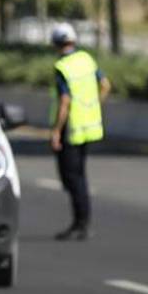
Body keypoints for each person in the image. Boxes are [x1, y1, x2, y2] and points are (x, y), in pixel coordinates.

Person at [49, 22, 111, 241]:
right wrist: (94, 106)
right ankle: (81, 222)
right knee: (80, 176)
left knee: (73, 178)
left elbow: (64, 101)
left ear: (55, 44)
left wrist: (56, 131)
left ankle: (81, 223)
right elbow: (105, 85)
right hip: (89, 127)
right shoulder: (86, 59)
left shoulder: (63, 67)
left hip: (72, 129)